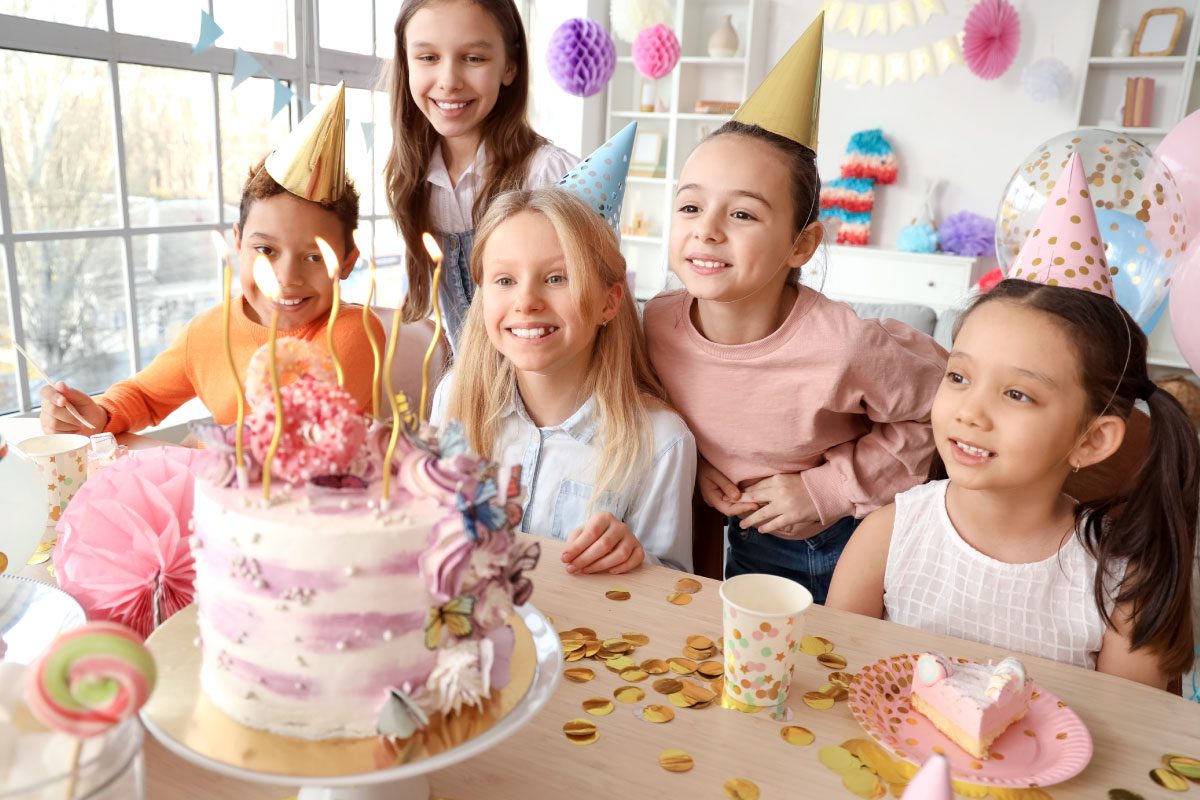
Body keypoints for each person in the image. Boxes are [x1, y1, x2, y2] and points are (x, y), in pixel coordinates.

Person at [827, 154, 1199, 689]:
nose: (970, 412)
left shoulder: (1119, 583)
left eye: (1017, 393)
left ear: (1091, 440)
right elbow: (836, 680)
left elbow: (1134, 741)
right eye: (958, 377)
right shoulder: (888, 535)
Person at [643, 17, 946, 603]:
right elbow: (647, 404)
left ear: (801, 244)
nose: (706, 231)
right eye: (689, 207)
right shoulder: (654, 323)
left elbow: (942, 407)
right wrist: (694, 463)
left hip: (828, 542)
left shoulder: (844, 345)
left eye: (743, 215)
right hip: (703, 525)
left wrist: (827, 490)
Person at [40, 85, 384, 434]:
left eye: (313, 256)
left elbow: (287, 434)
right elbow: (144, 395)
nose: (286, 277)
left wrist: (202, 448)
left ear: (347, 261)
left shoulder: (354, 333)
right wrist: (98, 415)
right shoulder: (207, 333)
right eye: (266, 250)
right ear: (237, 242)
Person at [434, 169, 694, 574]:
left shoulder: (660, 441)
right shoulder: (454, 400)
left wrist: (637, 559)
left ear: (609, 302)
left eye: (557, 278)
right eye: (504, 279)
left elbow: (675, 588)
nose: (526, 301)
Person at [385, 0, 576, 349]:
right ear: (406, 64)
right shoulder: (413, 178)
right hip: (468, 394)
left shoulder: (549, 174)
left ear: (510, 66)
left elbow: (592, 306)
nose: (449, 82)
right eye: (428, 58)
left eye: (473, 58)